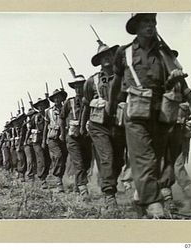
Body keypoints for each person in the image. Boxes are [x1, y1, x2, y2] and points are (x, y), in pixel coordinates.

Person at [108, 13, 191, 218]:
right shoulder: (125, 53)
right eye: (145, 22)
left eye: (153, 22)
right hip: (136, 114)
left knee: (157, 158)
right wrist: (111, 108)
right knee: (143, 157)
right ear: (136, 27)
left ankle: (141, 195)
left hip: (161, 113)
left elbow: (178, 79)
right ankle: (154, 204)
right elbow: (116, 83)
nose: (150, 25)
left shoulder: (164, 53)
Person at [81, 36, 123, 213]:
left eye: (110, 54)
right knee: (107, 157)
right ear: (98, 61)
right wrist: (83, 126)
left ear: (114, 56)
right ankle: (109, 195)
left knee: (119, 160)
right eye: (103, 56)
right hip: (98, 126)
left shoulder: (123, 77)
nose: (107, 58)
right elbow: (86, 104)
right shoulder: (91, 81)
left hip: (120, 124)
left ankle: (108, 181)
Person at [60, 74, 92, 200]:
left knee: (87, 162)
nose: (78, 90)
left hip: (87, 137)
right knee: (78, 162)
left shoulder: (89, 101)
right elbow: (62, 118)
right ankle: (83, 188)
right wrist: (62, 133)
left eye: (81, 87)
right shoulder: (69, 102)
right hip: (72, 137)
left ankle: (77, 185)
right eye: (76, 87)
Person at [43, 88, 68, 192]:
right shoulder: (48, 111)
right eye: (55, 98)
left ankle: (61, 178)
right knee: (58, 156)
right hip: (52, 137)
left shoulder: (67, 108)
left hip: (65, 137)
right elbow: (45, 126)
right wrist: (43, 140)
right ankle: (58, 181)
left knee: (64, 158)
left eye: (59, 97)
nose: (57, 99)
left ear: (62, 98)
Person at [25, 96, 51, 189]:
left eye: (42, 105)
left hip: (49, 139)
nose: (41, 107)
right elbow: (29, 129)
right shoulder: (34, 117)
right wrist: (26, 140)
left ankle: (45, 175)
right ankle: (42, 179)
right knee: (41, 159)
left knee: (48, 160)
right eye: (39, 106)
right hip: (37, 141)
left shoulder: (49, 114)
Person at [23, 108, 38, 181]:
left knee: (34, 159)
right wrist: (25, 141)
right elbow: (26, 133)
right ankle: (30, 175)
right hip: (28, 143)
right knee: (30, 160)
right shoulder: (26, 124)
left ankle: (34, 174)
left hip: (34, 142)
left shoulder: (35, 121)